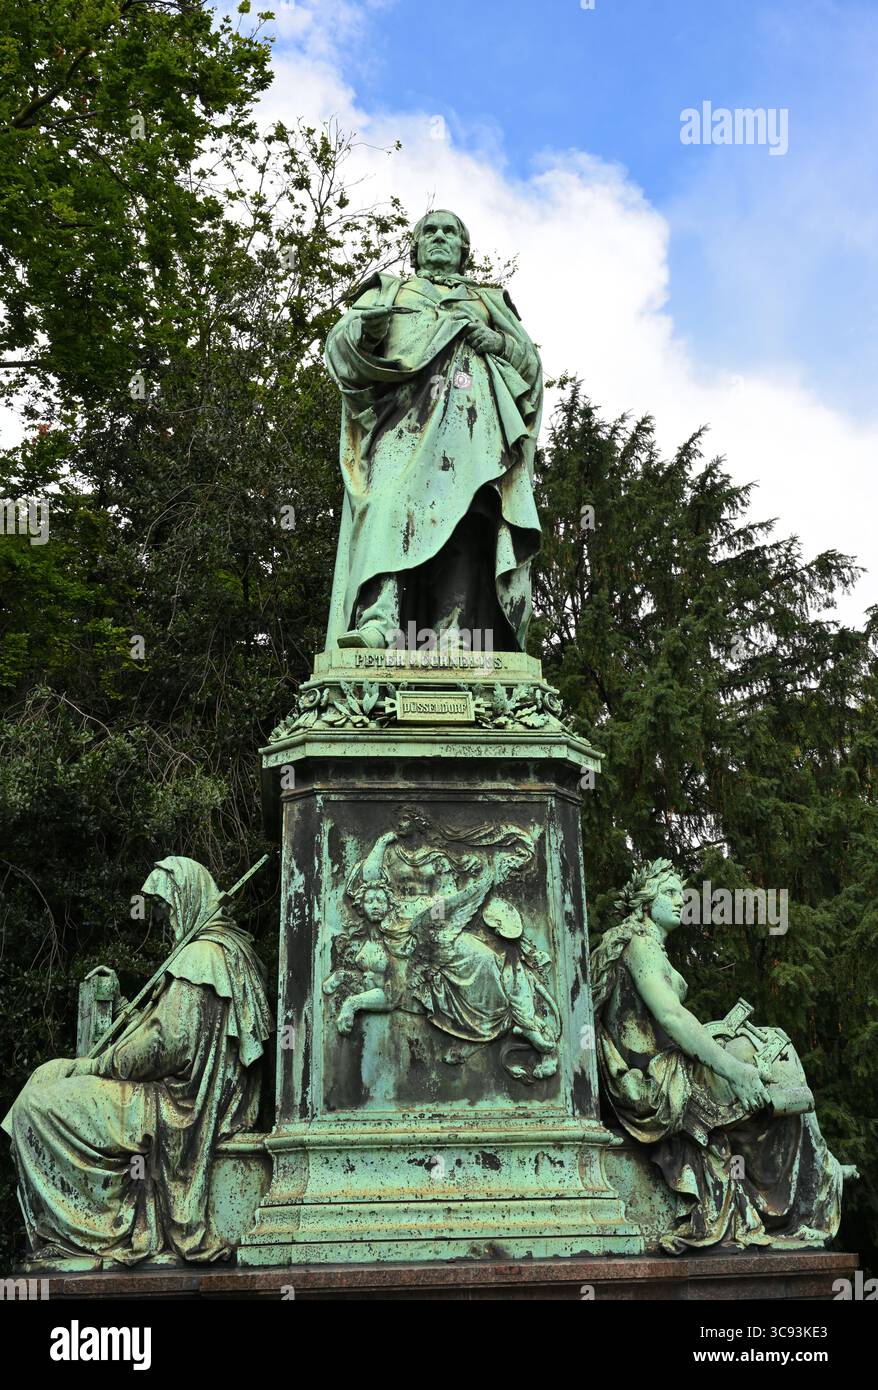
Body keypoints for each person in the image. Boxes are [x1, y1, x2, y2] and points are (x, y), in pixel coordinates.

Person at [2, 856, 271, 1267]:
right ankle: (67, 1227)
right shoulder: (222, 955)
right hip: (172, 1093)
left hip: (174, 1104)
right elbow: (164, 1030)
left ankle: (84, 1232)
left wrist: (99, 1065)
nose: (163, 919)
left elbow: (167, 1044)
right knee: (46, 1074)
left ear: (186, 898)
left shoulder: (203, 958)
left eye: (165, 907)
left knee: (36, 1107)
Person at [590, 858, 852, 1253]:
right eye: (669, 893)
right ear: (645, 902)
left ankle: (817, 1173)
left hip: (658, 1070)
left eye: (681, 893)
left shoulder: (641, 944)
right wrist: (734, 1070)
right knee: (770, 1059)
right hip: (656, 1083)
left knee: (769, 1052)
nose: (680, 900)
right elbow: (672, 1016)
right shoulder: (638, 943)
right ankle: (816, 1184)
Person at [323, 208, 542, 652]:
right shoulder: (388, 290)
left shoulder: (488, 301)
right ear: (416, 246)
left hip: (472, 429)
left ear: (463, 249)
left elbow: (530, 368)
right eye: (429, 231)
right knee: (386, 503)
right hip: (402, 421)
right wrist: (366, 333)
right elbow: (339, 348)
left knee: (465, 521)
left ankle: (454, 632)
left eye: (449, 231)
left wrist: (499, 342)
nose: (439, 237)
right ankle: (380, 620)